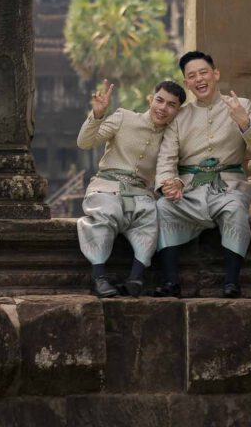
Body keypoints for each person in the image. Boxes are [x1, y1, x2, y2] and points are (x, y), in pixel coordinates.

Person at [154, 50, 251, 298]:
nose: (199, 79)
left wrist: (243, 123)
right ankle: (171, 281)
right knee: (163, 207)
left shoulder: (242, 106)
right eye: (192, 76)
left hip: (229, 186)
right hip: (188, 188)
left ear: (215, 74)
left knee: (235, 210)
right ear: (187, 83)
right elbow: (166, 157)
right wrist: (168, 184)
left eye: (203, 72)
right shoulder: (180, 116)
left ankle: (231, 282)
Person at [76, 77, 186, 298]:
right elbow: (85, 143)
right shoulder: (123, 117)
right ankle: (99, 278)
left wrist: (177, 183)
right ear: (150, 99)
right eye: (160, 100)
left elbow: (175, 169)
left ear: (178, 111)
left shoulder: (172, 137)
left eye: (171, 105)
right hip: (106, 185)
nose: (163, 108)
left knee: (150, 218)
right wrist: (97, 114)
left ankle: (135, 279)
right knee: (107, 213)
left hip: (141, 192)